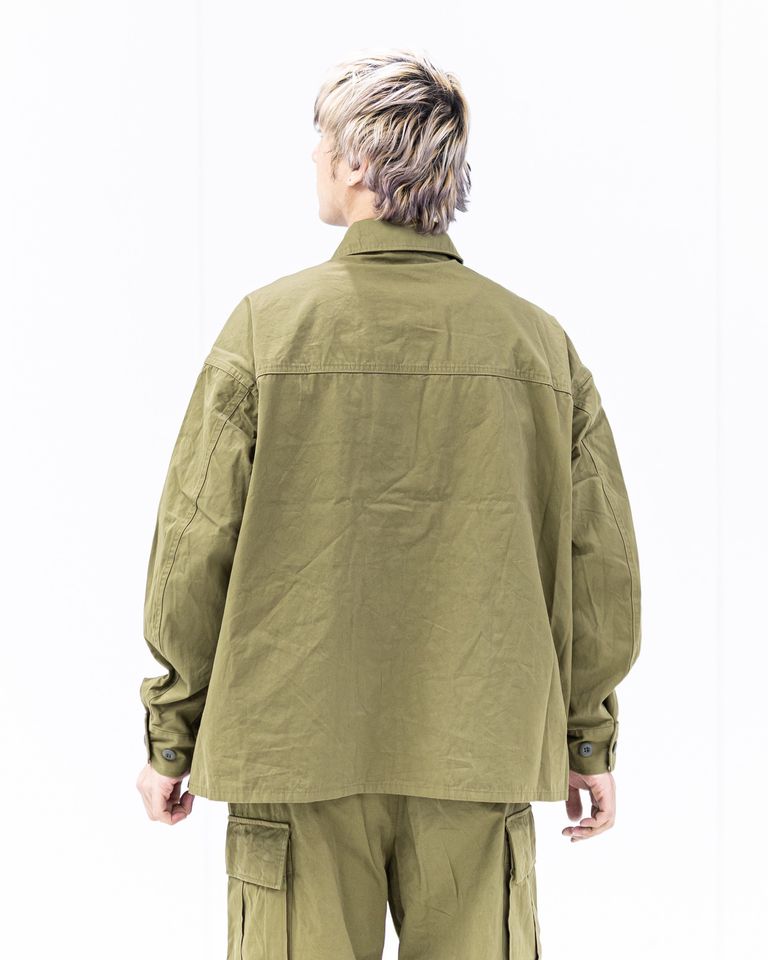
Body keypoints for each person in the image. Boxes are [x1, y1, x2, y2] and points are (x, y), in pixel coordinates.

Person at [135, 47, 642, 959]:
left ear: (360, 163)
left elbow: (193, 549)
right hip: (480, 750)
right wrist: (587, 738)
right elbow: (600, 566)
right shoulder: (537, 346)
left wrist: (173, 734)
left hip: (294, 751)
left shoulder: (267, 329)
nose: (314, 158)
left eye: (323, 141)